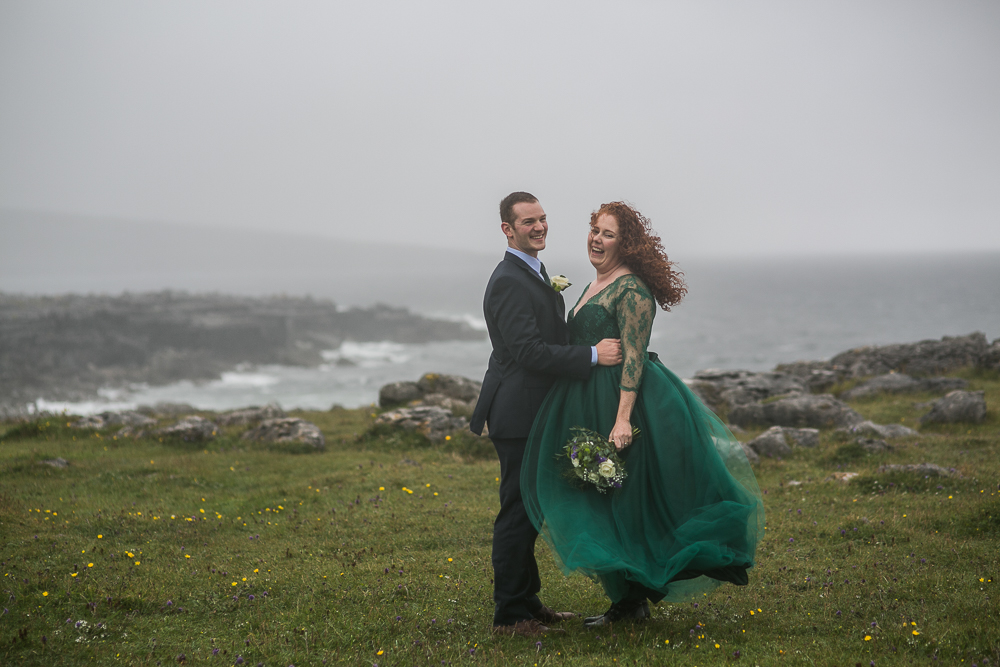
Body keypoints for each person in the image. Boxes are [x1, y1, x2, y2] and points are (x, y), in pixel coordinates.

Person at [520, 201, 764, 627]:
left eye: (608, 234)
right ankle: (626, 600)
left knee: (626, 499)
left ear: (626, 244)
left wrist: (622, 420)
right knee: (600, 498)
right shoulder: (595, 283)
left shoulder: (632, 289)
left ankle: (631, 602)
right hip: (585, 400)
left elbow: (634, 357)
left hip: (622, 404)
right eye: (595, 230)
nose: (597, 239)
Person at [470, 191, 623, 637]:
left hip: (533, 409)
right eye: (527, 222)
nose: (539, 227)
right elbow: (528, 352)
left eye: (542, 219)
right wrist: (593, 355)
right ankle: (509, 616)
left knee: (530, 510)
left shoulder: (531, 272)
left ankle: (528, 604)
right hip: (518, 411)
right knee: (517, 513)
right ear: (507, 229)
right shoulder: (508, 280)